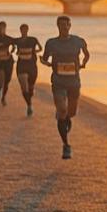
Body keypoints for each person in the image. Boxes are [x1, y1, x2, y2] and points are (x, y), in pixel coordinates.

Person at [41, 15, 89, 159]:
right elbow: (45, 58)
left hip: (74, 82)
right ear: (57, 26)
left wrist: (84, 63)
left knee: (71, 113)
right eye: (61, 25)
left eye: (66, 25)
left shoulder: (78, 41)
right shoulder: (51, 43)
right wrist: (45, 63)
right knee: (62, 110)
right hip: (58, 81)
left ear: (70, 26)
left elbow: (87, 55)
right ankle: (66, 145)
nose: (64, 27)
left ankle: (64, 118)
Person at [13, 23, 42, 117]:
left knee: (30, 88)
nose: (24, 32)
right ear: (20, 31)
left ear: (27, 30)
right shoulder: (17, 40)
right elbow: (11, 46)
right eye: (22, 30)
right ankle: (29, 106)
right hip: (21, 65)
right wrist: (12, 52)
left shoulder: (33, 39)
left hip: (32, 65)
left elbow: (40, 48)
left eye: (25, 30)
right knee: (24, 87)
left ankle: (30, 99)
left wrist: (35, 52)